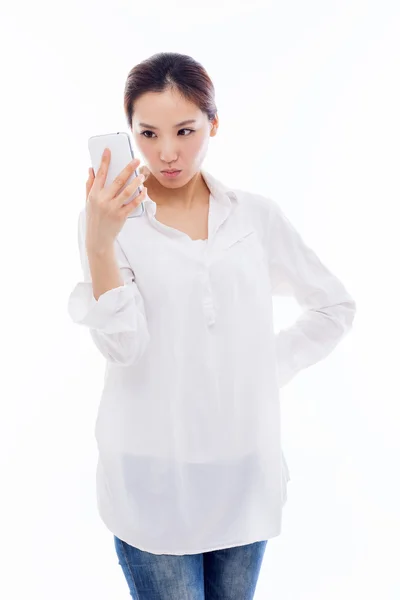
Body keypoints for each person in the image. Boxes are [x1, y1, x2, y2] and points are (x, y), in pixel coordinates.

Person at [67, 52, 357, 599]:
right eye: (148, 133)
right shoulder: (107, 223)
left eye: (185, 130)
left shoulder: (255, 217)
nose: (167, 152)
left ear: (214, 124)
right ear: (128, 133)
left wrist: (262, 368)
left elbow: (332, 308)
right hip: (151, 480)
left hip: (242, 473)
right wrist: (100, 243)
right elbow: (124, 347)